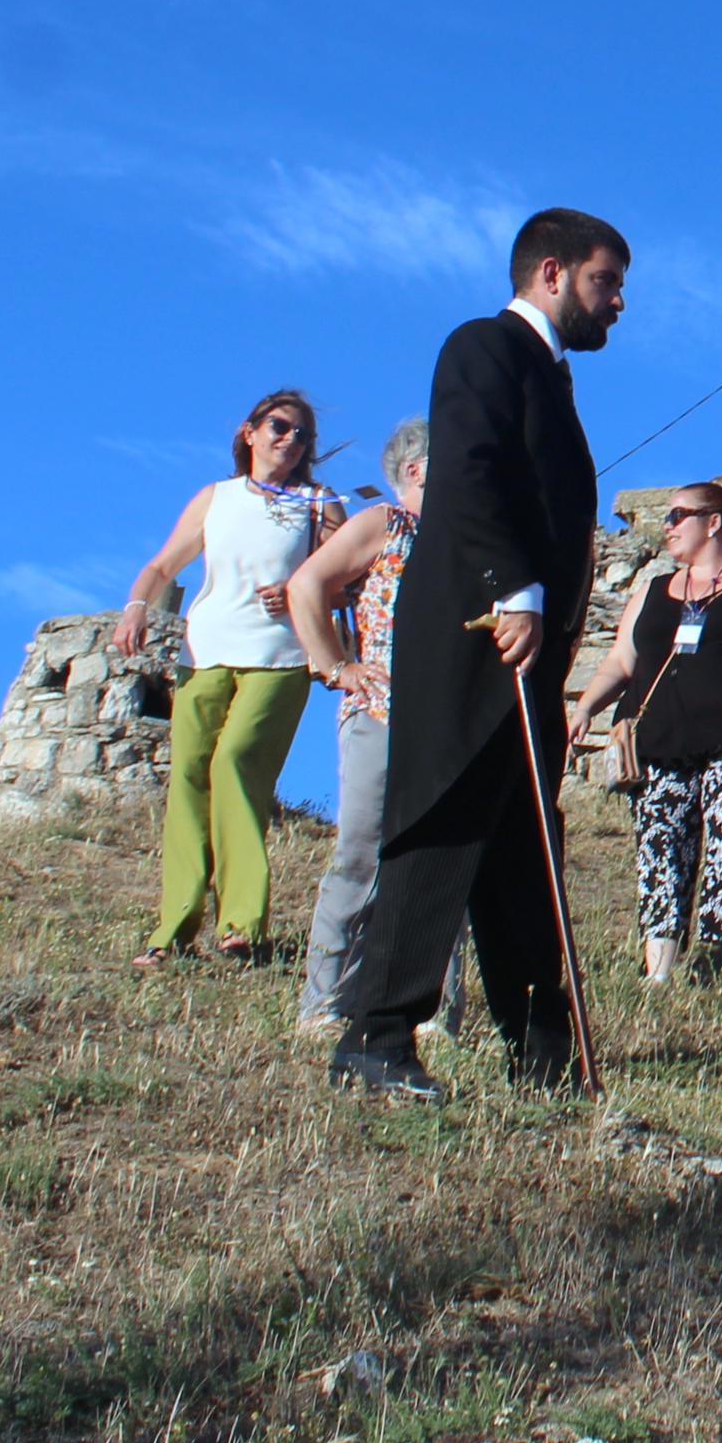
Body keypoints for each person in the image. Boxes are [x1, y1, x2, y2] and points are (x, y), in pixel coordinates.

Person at [331, 207, 627, 1101]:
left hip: (526, 647)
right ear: (550, 271)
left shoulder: (549, 374)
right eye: (604, 281)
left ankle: (543, 1055)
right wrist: (514, 588)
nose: (618, 301)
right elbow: (472, 469)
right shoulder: (482, 347)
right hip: (479, 629)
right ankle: (375, 1036)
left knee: (520, 849)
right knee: (446, 819)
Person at [572, 482, 722, 1040]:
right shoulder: (654, 588)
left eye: (678, 514)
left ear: (713, 523)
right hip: (660, 744)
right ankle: (658, 978)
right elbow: (622, 658)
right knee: (659, 854)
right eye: (666, 515)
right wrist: (586, 705)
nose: (667, 523)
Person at [113, 390, 346, 971]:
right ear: (249, 432)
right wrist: (137, 605)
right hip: (206, 651)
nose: (289, 440)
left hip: (283, 656)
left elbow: (349, 580)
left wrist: (298, 587)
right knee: (189, 779)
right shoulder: (215, 498)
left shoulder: (319, 504)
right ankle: (174, 927)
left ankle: (241, 923)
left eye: (301, 435)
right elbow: (164, 564)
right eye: (279, 426)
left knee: (234, 765)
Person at [284, 417, 456, 1037]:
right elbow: (307, 584)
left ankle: (432, 1012)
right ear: (416, 471)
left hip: (449, 722)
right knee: (359, 853)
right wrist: (335, 664)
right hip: (382, 711)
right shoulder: (386, 525)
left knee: (442, 861)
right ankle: (325, 1004)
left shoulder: (467, 540)